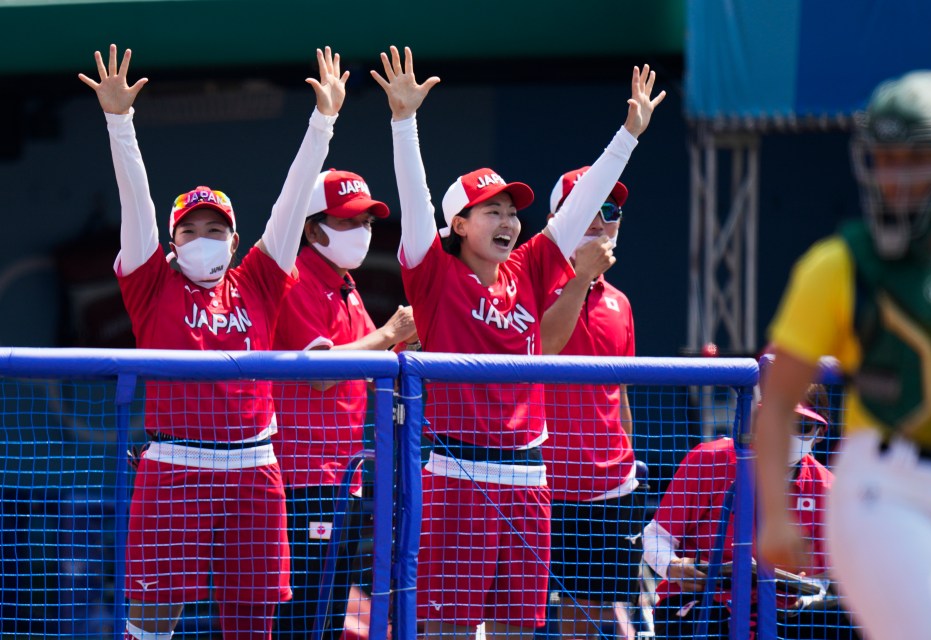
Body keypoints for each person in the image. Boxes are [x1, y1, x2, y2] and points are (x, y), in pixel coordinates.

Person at [370, 45, 665, 639]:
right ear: (457, 226)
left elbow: (583, 204)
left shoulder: (528, 269)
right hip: (458, 473)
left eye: (511, 212)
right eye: (491, 212)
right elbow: (414, 200)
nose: (508, 222)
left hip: (530, 476)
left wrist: (629, 134)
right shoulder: (433, 274)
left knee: (518, 630)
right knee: (446, 630)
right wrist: (405, 122)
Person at [79, 44, 348, 640]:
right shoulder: (151, 284)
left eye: (216, 229)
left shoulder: (259, 277)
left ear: (234, 240)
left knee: (252, 624)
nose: (204, 238)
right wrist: (119, 121)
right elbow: (137, 203)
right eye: (190, 230)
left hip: (257, 467)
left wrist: (322, 121)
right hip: (173, 466)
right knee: (151, 621)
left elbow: (291, 197)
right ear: (172, 243)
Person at [756, 69, 931, 640]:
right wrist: (776, 510)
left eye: (917, 157)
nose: (896, 177)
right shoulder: (841, 264)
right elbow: (776, 405)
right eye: (886, 158)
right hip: (889, 490)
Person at [272, 168, 417, 640]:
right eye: (349, 221)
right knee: (303, 618)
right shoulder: (294, 279)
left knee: (327, 615)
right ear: (313, 229)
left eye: (367, 222)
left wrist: (404, 344)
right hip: (303, 479)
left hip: (342, 475)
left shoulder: (346, 285)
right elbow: (322, 374)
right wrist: (391, 334)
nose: (362, 232)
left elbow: (377, 355)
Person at [643, 384, 860, 640]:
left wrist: (801, 596)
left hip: (781, 614)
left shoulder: (828, 490)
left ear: (820, 433)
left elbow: (825, 580)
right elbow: (655, 537)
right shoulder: (710, 459)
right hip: (699, 602)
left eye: (801, 424)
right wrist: (673, 566)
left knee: (851, 617)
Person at [539, 168, 643, 639]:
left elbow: (619, 393)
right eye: (587, 209)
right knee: (516, 613)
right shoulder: (528, 284)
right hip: (537, 484)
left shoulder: (620, 302)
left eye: (611, 210)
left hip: (608, 488)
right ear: (555, 220)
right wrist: (579, 277)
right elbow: (542, 347)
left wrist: (631, 462)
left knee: (589, 617)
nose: (601, 221)